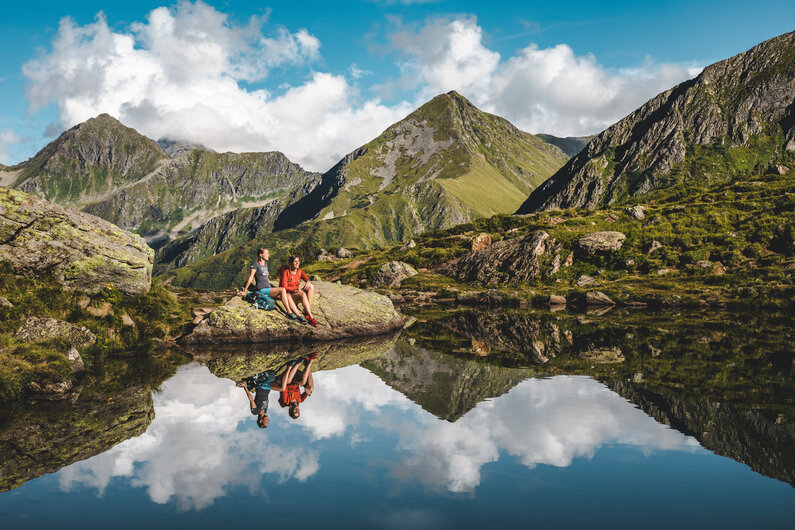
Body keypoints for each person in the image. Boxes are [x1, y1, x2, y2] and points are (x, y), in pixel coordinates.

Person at [238, 247, 306, 324]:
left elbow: (265, 278)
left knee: (287, 295)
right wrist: (244, 291)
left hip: (269, 290)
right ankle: (289, 312)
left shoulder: (266, 264)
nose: (268, 255)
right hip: (261, 290)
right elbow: (251, 277)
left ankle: (299, 315)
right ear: (260, 255)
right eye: (266, 253)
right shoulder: (255, 264)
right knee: (282, 289)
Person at [279, 255, 318, 327]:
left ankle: (307, 310)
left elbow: (308, 280)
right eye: (295, 261)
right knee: (302, 294)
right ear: (291, 263)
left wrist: (308, 282)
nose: (297, 263)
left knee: (311, 287)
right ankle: (311, 317)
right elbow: (283, 287)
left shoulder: (300, 271)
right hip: (288, 295)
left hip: (296, 293)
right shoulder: (286, 272)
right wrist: (295, 290)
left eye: (298, 261)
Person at [278, 353, 316, 419]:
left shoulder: (285, 402)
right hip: (295, 378)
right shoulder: (300, 400)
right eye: (298, 412)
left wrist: (299, 384)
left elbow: (285, 387)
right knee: (311, 388)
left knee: (302, 382)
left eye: (295, 412)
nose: (297, 410)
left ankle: (308, 361)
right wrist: (308, 392)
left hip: (286, 379)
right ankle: (308, 363)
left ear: (290, 410)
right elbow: (308, 393)